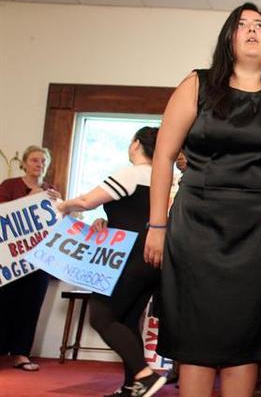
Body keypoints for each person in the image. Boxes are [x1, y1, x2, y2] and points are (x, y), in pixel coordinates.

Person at [143, 2, 261, 397]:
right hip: (196, 226)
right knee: (195, 341)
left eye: (260, 25)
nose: (252, 31)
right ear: (228, 37)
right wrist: (157, 226)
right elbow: (163, 157)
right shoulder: (196, 85)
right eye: (242, 25)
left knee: (243, 342)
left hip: (256, 236)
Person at [58, 127, 164, 397]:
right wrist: (107, 222)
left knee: (101, 317)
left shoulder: (130, 173)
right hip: (154, 261)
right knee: (127, 321)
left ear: (136, 144)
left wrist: (61, 206)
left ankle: (145, 375)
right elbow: (135, 215)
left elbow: (86, 201)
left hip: (128, 259)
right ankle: (132, 387)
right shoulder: (163, 178)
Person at [0, 145, 58, 372]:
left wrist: (62, 206)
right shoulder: (10, 185)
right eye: (34, 160)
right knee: (3, 305)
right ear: (24, 163)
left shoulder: (50, 189)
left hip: (38, 260)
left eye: (43, 161)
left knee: (30, 307)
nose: (39, 165)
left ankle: (21, 354)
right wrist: (31, 198)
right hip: (9, 260)